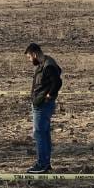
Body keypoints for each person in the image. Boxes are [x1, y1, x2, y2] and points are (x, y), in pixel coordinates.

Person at [25, 43, 63, 174]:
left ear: (34, 54)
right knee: (44, 134)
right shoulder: (45, 63)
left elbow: (57, 82)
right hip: (41, 104)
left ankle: (42, 164)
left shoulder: (48, 65)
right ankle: (45, 163)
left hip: (43, 105)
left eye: (29, 57)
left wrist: (49, 95)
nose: (30, 60)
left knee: (39, 133)